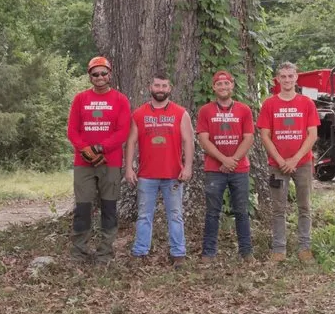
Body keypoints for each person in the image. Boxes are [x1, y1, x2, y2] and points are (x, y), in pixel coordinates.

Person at [124, 74, 193, 266]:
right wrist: (128, 168)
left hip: (173, 174)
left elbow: (189, 141)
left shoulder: (181, 113)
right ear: (150, 87)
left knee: (175, 215)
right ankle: (140, 252)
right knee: (144, 215)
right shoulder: (139, 113)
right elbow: (131, 142)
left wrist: (188, 166)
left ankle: (178, 253)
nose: (160, 89)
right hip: (146, 175)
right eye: (157, 85)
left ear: (170, 88)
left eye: (164, 85)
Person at [66, 56, 131, 263]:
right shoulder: (80, 99)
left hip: (110, 162)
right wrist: (86, 150)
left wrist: (100, 148)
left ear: (110, 74)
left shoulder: (120, 99)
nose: (100, 77)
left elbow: (123, 131)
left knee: (109, 208)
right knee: (83, 208)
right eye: (95, 74)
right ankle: (79, 252)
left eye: (103, 73)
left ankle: (105, 253)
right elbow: (72, 130)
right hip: (83, 163)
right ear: (90, 76)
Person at [257, 62, 320, 263]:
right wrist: (280, 160)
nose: (286, 80)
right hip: (277, 165)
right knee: (278, 208)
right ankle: (279, 249)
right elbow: (265, 136)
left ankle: (305, 248)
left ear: (296, 78)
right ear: (277, 79)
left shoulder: (307, 103)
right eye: (283, 76)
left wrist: (294, 159)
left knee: (304, 207)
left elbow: (312, 135)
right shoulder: (269, 104)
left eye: (290, 76)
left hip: (302, 164)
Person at [197, 70, 254, 260]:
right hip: (214, 170)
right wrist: (223, 160)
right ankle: (209, 252)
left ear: (232, 86)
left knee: (242, 211)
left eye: (226, 83)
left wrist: (233, 161)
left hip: (240, 169)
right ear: (214, 87)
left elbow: (248, 138)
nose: (223, 87)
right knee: (212, 212)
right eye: (219, 84)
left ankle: (246, 252)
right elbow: (204, 140)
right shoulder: (205, 111)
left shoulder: (244, 110)